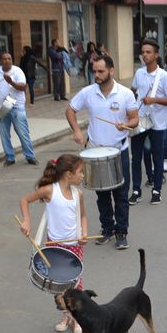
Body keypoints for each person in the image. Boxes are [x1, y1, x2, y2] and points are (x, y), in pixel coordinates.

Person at [65, 55, 138, 249]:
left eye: (100, 71)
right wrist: (77, 130)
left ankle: (121, 231)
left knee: (121, 195)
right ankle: (107, 229)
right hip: (96, 152)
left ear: (111, 71)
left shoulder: (125, 94)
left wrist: (127, 124)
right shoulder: (87, 92)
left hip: (119, 151)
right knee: (102, 195)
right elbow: (70, 110)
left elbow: (135, 119)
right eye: (94, 71)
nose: (96, 75)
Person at [18, 154, 89, 333]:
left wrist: (84, 233)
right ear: (68, 174)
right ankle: (66, 315)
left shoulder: (78, 194)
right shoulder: (50, 190)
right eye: (81, 172)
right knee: (60, 285)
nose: (83, 175)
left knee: (76, 284)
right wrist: (27, 221)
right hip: (55, 247)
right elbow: (24, 200)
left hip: (74, 247)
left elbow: (83, 216)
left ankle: (76, 316)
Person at [130, 39, 167, 206]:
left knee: (157, 157)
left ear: (156, 55)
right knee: (136, 157)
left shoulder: (164, 76)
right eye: (143, 52)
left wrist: (154, 100)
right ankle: (136, 191)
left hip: (158, 123)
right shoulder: (139, 73)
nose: (144, 55)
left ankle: (156, 190)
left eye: (148, 52)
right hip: (140, 120)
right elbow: (133, 91)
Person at [0, 52, 37, 166]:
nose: (7, 60)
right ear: (0, 61)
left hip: (16, 106)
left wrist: (11, 82)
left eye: (9, 58)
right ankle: (10, 157)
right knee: (4, 133)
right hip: (1, 106)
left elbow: (23, 87)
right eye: (4, 59)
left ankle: (30, 156)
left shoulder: (18, 71)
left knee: (22, 132)